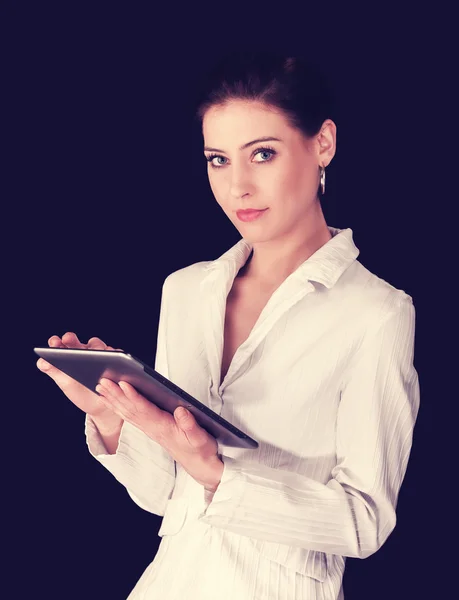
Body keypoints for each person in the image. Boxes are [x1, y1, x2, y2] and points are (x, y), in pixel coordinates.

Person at [36, 50, 420, 600]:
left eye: (261, 153)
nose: (236, 185)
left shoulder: (376, 312)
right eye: (218, 159)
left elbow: (363, 523)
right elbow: (164, 497)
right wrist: (114, 416)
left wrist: (218, 473)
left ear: (323, 144)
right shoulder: (187, 290)